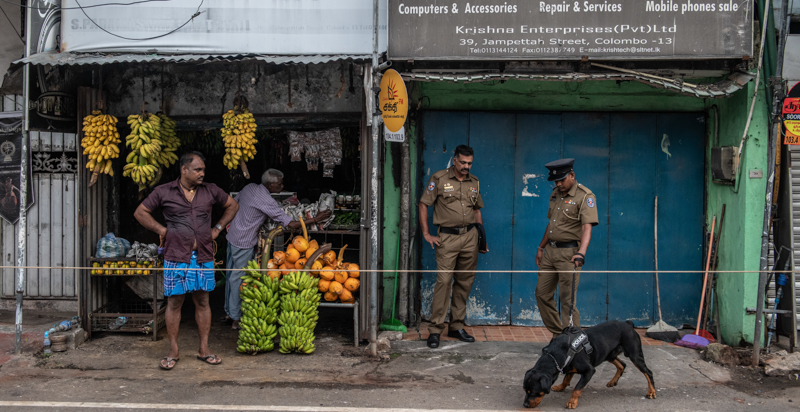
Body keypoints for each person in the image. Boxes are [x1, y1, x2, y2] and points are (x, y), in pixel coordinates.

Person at [134, 151, 239, 370]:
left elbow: (233, 205)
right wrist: (163, 229)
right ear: (184, 170)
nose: (202, 173)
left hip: (203, 256)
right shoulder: (164, 191)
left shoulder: (210, 190)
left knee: (202, 301)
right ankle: (173, 350)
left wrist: (217, 229)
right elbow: (140, 212)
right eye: (198, 169)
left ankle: (204, 349)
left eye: (203, 170)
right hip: (175, 255)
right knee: (175, 302)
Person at [223, 169, 332, 329]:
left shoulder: (250, 187)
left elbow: (234, 203)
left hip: (232, 234)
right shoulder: (267, 200)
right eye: (280, 184)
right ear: (270, 184)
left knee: (231, 273)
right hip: (244, 240)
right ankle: (235, 318)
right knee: (239, 278)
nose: (282, 186)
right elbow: (291, 224)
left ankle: (228, 311)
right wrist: (317, 219)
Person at [419, 145, 488, 349]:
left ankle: (456, 326)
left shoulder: (474, 182)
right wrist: (426, 233)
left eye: (470, 163)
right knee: (444, 282)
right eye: (463, 162)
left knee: (464, 283)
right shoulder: (439, 179)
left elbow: (477, 212)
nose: (466, 166)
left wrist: (481, 239)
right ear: (455, 160)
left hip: (470, 237)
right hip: (447, 238)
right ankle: (435, 330)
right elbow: (424, 204)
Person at [535, 158, 598, 337]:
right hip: (550, 252)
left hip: (569, 254)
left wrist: (581, 253)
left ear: (572, 175)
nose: (558, 183)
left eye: (562, 180)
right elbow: (551, 225)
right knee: (541, 293)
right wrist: (541, 247)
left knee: (567, 301)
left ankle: (574, 342)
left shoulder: (585, 196)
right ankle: (559, 335)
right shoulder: (556, 194)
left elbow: (587, 227)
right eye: (556, 181)